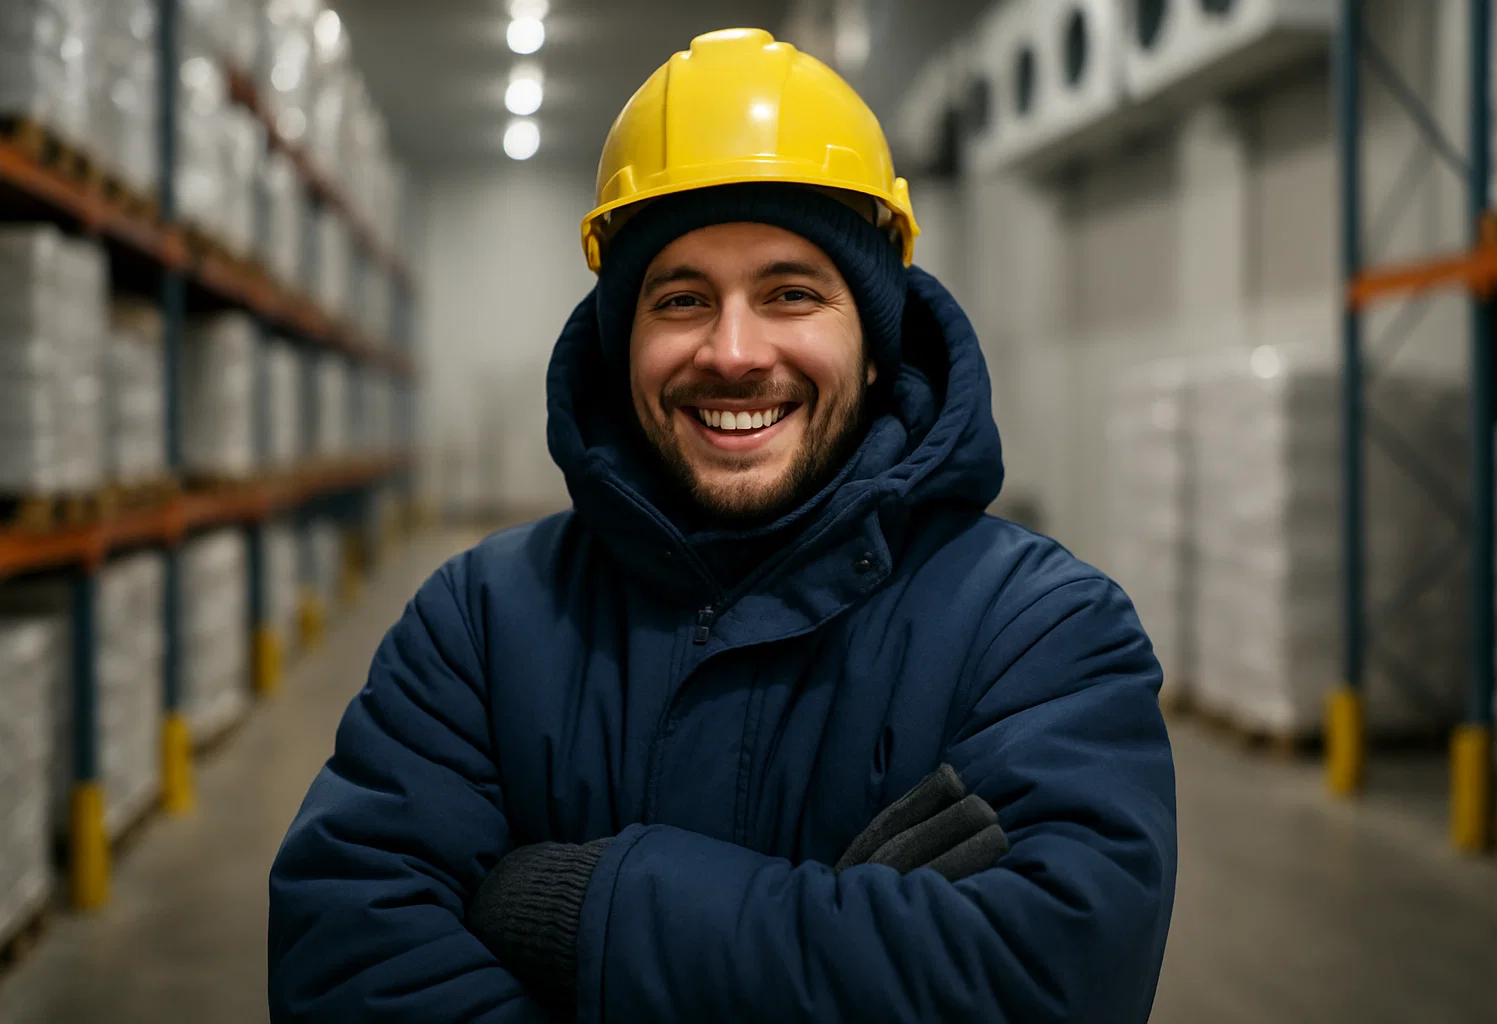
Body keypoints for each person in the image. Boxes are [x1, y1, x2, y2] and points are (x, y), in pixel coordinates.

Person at [268, 27, 1177, 1024]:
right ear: (625, 345)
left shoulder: (1039, 635)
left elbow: (1049, 981)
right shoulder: (481, 626)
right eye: (681, 298)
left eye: (791, 292)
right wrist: (859, 938)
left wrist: (590, 913)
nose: (734, 352)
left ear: (874, 346)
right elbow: (345, 955)